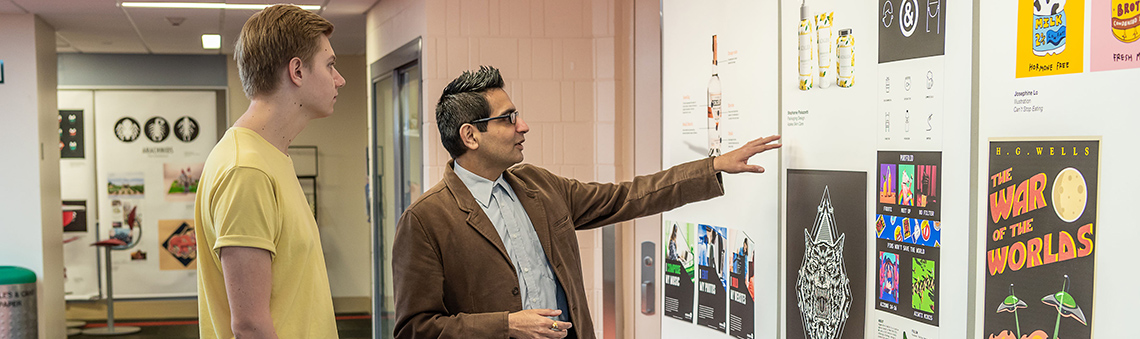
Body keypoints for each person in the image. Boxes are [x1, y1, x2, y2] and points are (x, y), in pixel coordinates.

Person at [393, 66, 780, 339]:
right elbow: (415, 329)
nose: (523, 126)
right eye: (509, 118)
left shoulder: (538, 186)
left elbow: (627, 196)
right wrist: (506, 326)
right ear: (470, 136)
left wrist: (712, 167)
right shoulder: (426, 220)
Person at [194, 4, 345, 338]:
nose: (340, 79)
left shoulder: (269, 157)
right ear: (297, 71)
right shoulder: (247, 170)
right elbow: (250, 326)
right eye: (330, 65)